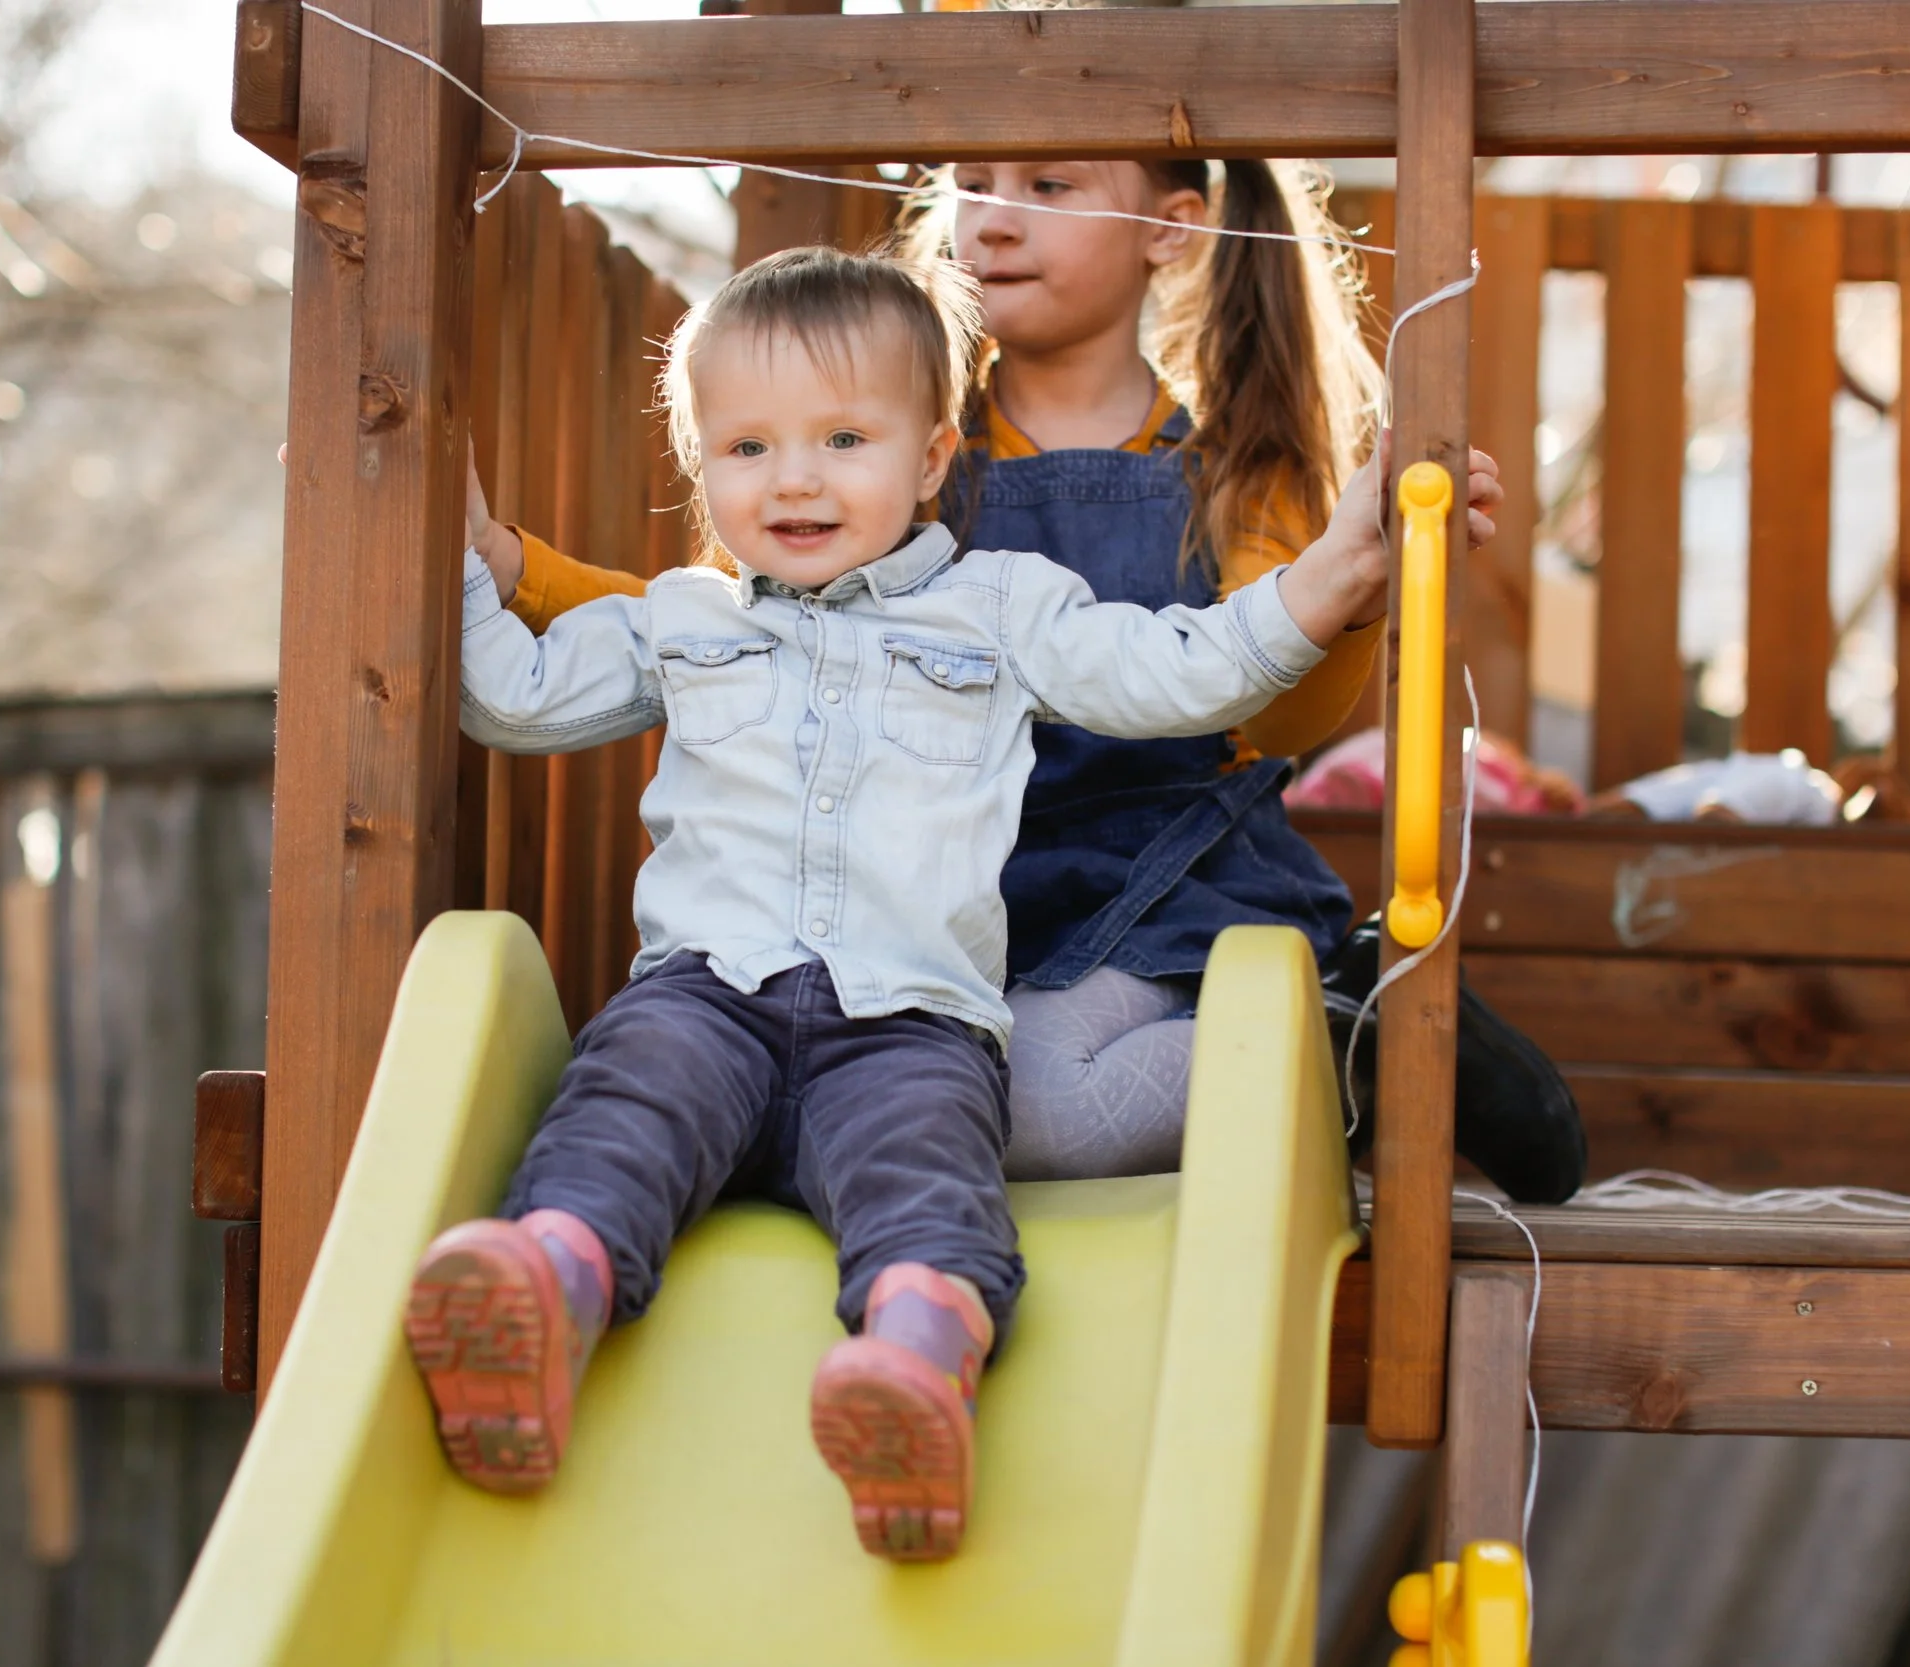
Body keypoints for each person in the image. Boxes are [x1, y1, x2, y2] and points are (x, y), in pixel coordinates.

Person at [417, 246, 1407, 1562]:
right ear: (703, 468)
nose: (796, 479)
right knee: (619, 1113)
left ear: (933, 457)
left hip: (909, 1022)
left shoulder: (1001, 609)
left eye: (844, 439)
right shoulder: (679, 621)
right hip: (706, 997)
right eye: (748, 447)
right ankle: (547, 1290)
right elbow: (517, 697)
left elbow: (1177, 673)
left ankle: (916, 1366)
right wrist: (451, 544)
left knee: (929, 1180)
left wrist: (1331, 579)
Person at [471, 159, 1583, 1202]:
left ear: (1171, 228)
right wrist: (515, 572)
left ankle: (1355, 1041)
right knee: (912, 1102)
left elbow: (1267, 707)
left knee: (1033, 1116)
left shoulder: (1238, 465)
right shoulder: (882, 446)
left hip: (1163, 869)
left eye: (1047, 186)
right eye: (975, 185)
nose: (995, 219)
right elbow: (732, 627)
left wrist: (1348, 588)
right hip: (958, 891)